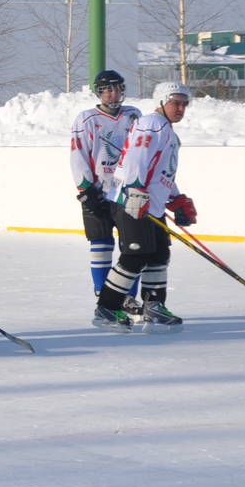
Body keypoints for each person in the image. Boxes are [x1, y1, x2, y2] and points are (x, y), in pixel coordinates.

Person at [95, 80, 198, 332]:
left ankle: (153, 305)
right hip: (132, 201)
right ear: (162, 101)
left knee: (159, 253)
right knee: (135, 255)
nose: (181, 108)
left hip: (149, 204)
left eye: (185, 104)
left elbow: (163, 171)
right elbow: (135, 159)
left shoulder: (167, 131)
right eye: (176, 103)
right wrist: (134, 189)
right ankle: (106, 308)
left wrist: (175, 198)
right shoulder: (152, 124)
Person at [71, 69, 144, 311]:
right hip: (99, 191)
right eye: (107, 90)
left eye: (117, 88)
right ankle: (103, 291)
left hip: (126, 192)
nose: (113, 94)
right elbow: (78, 154)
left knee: (132, 246)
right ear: (99, 93)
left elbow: (141, 152)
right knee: (101, 242)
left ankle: (128, 296)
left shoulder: (134, 115)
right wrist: (85, 187)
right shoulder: (86, 119)